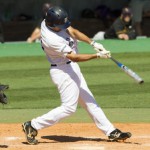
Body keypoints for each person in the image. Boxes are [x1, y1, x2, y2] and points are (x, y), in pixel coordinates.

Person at [22, 6, 132, 145]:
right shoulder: (51, 39)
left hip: (71, 67)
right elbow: (74, 57)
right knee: (69, 108)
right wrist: (97, 55)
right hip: (63, 71)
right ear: (52, 24)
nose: (63, 26)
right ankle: (32, 125)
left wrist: (93, 43)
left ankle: (111, 131)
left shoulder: (53, 22)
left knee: (90, 101)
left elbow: (72, 31)